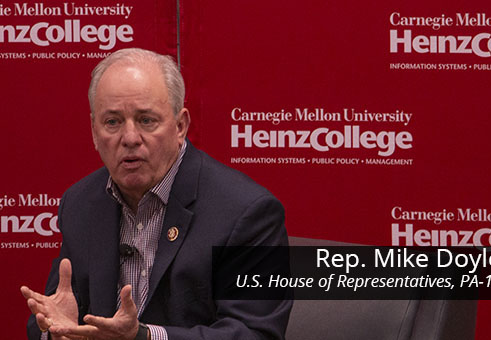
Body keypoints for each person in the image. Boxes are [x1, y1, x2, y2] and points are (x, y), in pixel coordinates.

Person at [20, 48, 291, 340]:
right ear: (93, 131)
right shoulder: (81, 203)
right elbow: (53, 313)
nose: (130, 138)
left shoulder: (246, 212)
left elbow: (255, 334)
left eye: (147, 120)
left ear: (180, 126)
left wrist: (146, 337)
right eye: (112, 122)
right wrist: (56, 330)